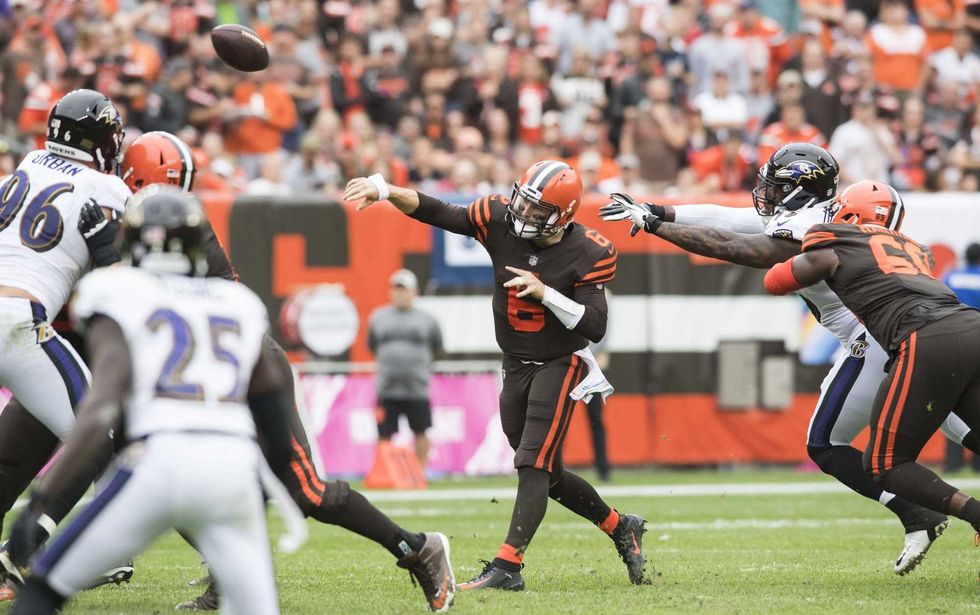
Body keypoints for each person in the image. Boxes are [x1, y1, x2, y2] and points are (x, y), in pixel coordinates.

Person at [8, 131, 457, 614]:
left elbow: (159, 307)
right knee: (151, 454)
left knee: (304, 490)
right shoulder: (124, 227)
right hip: (184, 379)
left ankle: (416, 547)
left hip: (235, 368)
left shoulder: (156, 256)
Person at [599, 144, 976, 575]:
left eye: (777, 184)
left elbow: (736, 246)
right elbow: (727, 216)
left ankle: (921, 513)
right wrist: (658, 209)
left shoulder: (813, 224)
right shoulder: (820, 216)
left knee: (827, 443)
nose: (765, 191)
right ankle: (921, 514)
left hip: (872, 337)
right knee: (954, 419)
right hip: (911, 333)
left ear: (802, 189)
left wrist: (654, 225)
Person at [345, 160, 649, 591]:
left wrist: (547, 294)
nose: (523, 216)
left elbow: (594, 326)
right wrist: (388, 190)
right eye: (523, 203)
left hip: (561, 362)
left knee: (532, 461)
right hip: (515, 364)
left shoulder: (591, 251)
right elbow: (439, 211)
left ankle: (508, 566)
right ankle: (621, 526)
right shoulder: (498, 218)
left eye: (537, 211)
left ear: (564, 216)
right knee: (545, 472)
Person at [10, 186, 298, 615]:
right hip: (230, 464)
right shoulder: (239, 302)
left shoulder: (115, 292)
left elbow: (99, 408)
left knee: (42, 591)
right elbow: (277, 429)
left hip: (157, 459)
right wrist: (254, 500)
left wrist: (42, 505)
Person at [763, 181, 980, 561]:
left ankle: (972, 515)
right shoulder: (915, 249)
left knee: (883, 462)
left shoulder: (835, 241)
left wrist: (785, 246)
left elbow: (774, 280)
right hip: (967, 326)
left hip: (921, 340)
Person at [0, 88, 131, 594]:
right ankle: (53, 551)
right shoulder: (109, 189)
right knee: (102, 436)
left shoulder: (27, 164)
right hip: (19, 320)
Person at [368, 269, 443, 467]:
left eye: (404, 289)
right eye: (396, 289)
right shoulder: (378, 317)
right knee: (384, 432)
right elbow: (372, 345)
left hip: (417, 388)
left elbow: (437, 347)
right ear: (391, 292)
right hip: (387, 388)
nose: (400, 294)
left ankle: (420, 473)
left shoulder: (428, 319)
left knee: (420, 431)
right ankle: (385, 472)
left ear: (414, 292)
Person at [942, 242, 980, 471]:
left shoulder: (953, 275)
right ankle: (978, 462)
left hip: (954, 340)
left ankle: (953, 462)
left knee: (952, 400)